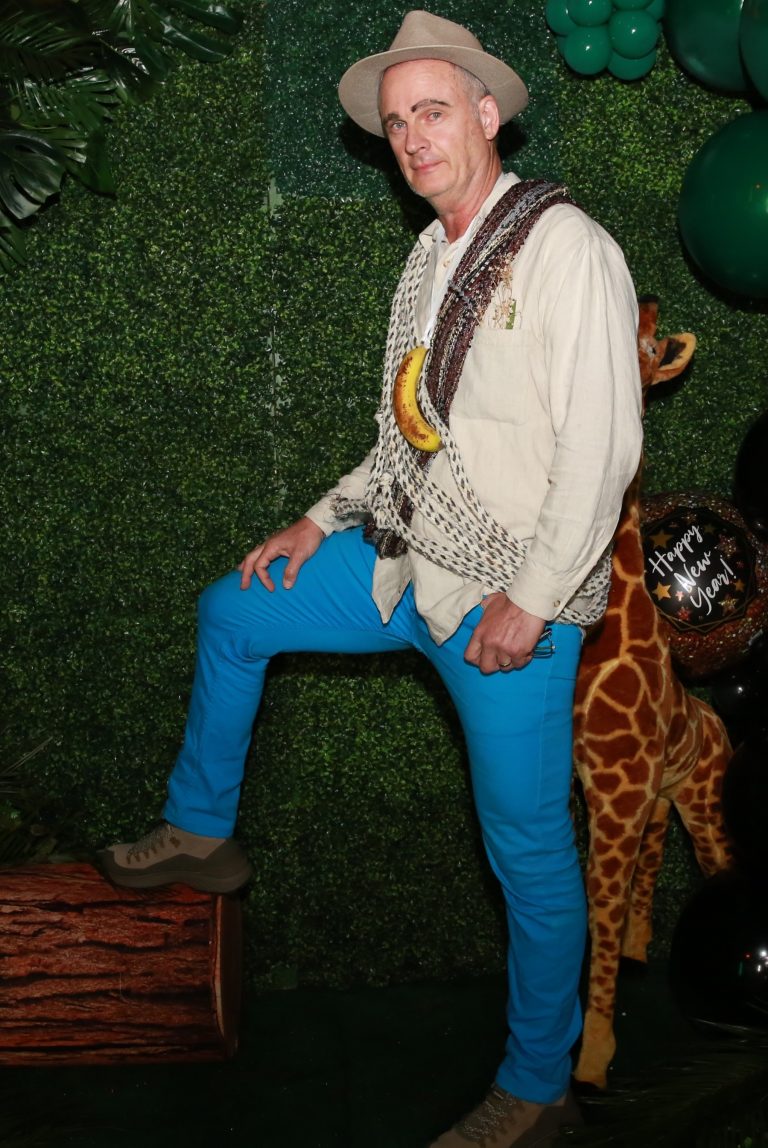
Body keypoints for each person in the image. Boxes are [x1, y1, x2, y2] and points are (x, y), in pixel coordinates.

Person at [103, 10, 643, 1146]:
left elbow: (603, 453)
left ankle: (539, 1088)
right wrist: (316, 519)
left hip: (507, 605)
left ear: (488, 115)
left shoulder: (567, 248)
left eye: (432, 112)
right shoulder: (431, 255)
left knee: (528, 855)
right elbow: (411, 438)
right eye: (396, 123)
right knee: (234, 610)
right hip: (407, 562)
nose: (412, 138)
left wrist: (533, 600)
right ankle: (202, 831)